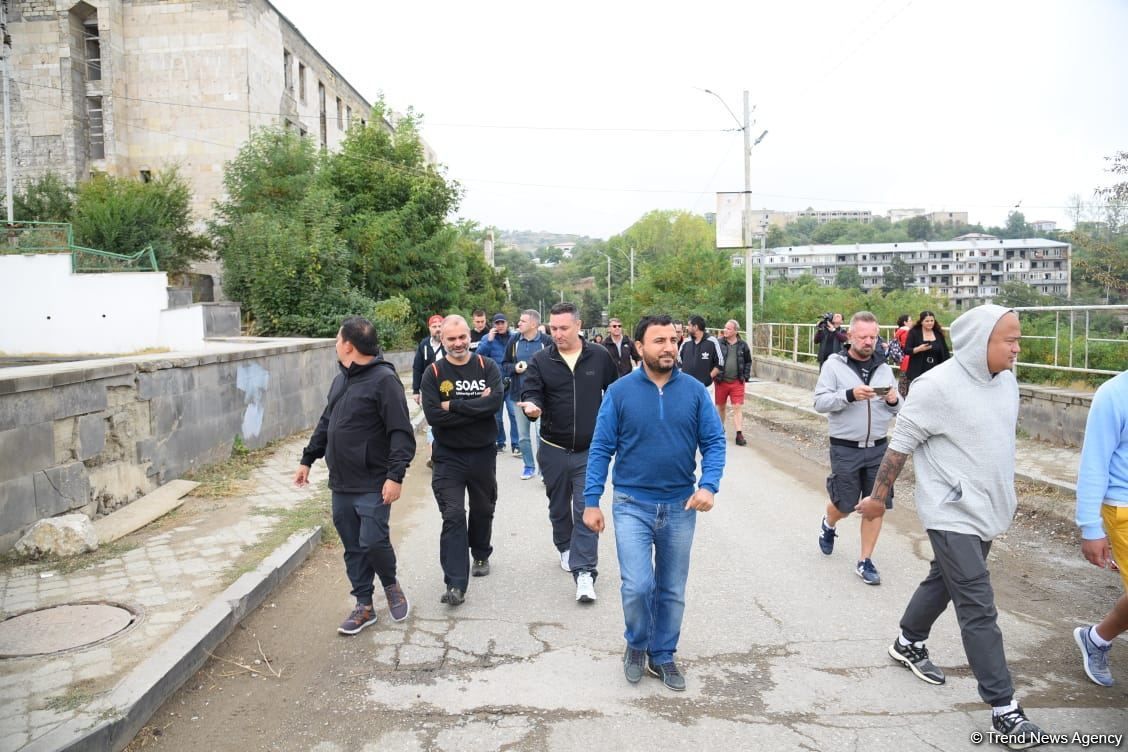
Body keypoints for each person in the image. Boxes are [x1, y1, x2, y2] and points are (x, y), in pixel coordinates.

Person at [857, 304, 1046, 742]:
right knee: (977, 603)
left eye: (1018, 339)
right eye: (1010, 340)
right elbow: (899, 444)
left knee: (945, 577)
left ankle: (908, 642)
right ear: (982, 342)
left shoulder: (1008, 383)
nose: (1018, 348)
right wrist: (879, 499)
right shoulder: (936, 386)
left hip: (988, 509)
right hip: (949, 511)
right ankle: (1005, 709)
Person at [583, 314, 726, 692]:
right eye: (659, 340)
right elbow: (600, 449)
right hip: (632, 503)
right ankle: (636, 644)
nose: (668, 347)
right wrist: (591, 500)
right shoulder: (620, 392)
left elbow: (714, 442)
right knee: (637, 586)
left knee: (672, 589)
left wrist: (709, 486)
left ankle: (662, 654)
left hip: (681, 506)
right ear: (640, 347)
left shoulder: (695, 391)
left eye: (672, 340)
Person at [294, 316, 415, 635]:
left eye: (337, 339)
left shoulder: (384, 381)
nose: (335, 344)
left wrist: (395, 476)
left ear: (348, 345)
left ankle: (390, 584)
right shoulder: (340, 380)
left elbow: (401, 432)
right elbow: (326, 421)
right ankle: (364, 605)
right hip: (342, 482)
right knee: (353, 546)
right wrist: (308, 458)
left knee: (373, 541)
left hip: (374, 481)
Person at [518, 302, 619, 603]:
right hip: (553, 448)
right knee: (559, 507)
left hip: (591, 450)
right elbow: (531, 392)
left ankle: (585, 571)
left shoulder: (599, 357)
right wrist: (533, 409)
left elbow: (614, 393)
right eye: (553, 328)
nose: (557, 334)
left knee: (586, 508)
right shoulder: (541, 360)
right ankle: (564, 544)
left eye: (563, 328)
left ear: (578, 326)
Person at [420, 315, 504, 606]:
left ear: (470, 336)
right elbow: (433, 415)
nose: (458, 344)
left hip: (482, 453)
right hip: (448, 457)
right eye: (451, 339)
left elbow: (494, 403)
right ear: (442, 340)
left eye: (462, 337)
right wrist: (475, 407)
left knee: (482, 508)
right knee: (453, 515)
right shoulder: (433, 373)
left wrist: (453, 405)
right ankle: (455, 584)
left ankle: (480, 553)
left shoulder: (486, 366)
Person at [814, 311, 901, 586]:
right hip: (846, 447)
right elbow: (820, 403)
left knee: (877, 505)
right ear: (849, 335)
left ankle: (865, 561)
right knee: (846, 504)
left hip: (878, 448)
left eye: (873, 337)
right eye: (863, 336)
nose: (869, 342)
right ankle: (829, 523)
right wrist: (849, 395)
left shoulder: (884, 367)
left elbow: (900, 408)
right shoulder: (834, 365)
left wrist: (891, 399)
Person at [1073, 369, 1128, 687]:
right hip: (1122, 508)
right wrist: (1091, 527)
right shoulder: (1114, 394)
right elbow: (1094, 462)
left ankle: (1097, 638)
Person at [503, 309, 552, 480]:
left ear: (533, 324)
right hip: (519, 396)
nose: (518, 324)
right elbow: (505, 364)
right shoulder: (514, 340)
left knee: (541, 435)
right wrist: (514, 369)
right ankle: (528, 466)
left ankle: (544, 470)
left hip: (542, 397)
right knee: (523, 436)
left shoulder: (546, 341)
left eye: (522, 321)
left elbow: (555, 365)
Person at [476, 312, 519, 454]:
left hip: (511, 381)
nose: (500, 326)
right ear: (493, 325)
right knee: (497, 416)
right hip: (495, 383)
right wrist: (489, 340)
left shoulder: (514, 337)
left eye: (502, 323)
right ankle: (500, 442)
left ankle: (516, 444)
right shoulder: (487, 338)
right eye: (497, 323)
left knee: (513, 414)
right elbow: (478, 356)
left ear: (507, 323)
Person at [715, 319, 752, 446]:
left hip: (737, 381)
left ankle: (739, 434)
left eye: (729, 328)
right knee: (721, 407)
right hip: (721, 381)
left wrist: (746, 376)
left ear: (735, 331)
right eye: (725, 328)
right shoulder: (718, 344)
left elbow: (748, 361)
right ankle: (720, 430)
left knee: (737, 407)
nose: (725, 330)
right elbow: (713, 359)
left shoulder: (743, 345)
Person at [902, 310, 950, 393]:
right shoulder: (914, 332)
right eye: (927, 321)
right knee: (919, 392)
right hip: (918, 370)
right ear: (921, 322)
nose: (930, 323)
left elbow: (945, 352)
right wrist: (918, 349)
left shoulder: (938, 333)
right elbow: (906, 350)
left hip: (935, 370)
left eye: (932, 321)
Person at [678, 314, 724, 389]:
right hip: (687, 386)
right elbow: (678, 360)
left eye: (689, 325)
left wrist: (708, 378)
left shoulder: (712, 341)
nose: (687, 328)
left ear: (695, 327)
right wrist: (683, 377)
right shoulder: (686, 342)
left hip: (706, 387)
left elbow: (720, 363)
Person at [411, 314, 445, 406]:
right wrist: (416, 390)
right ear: (429, 328)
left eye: (440, 326)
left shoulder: (449, 343)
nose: (438, 329)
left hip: (447, 385)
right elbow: (417, 368)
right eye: (434, 327)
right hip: (429, 386)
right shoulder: (424, 344)